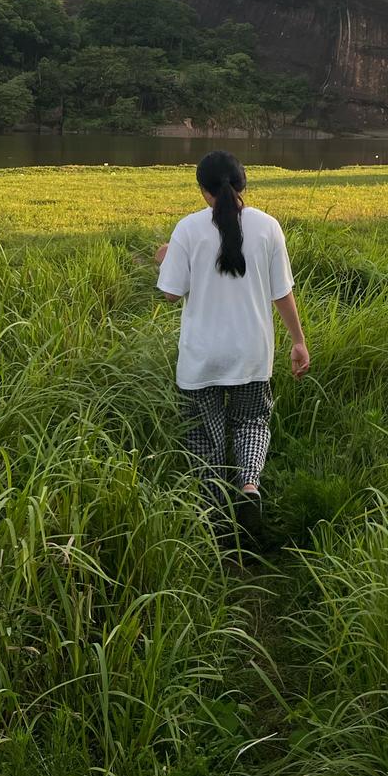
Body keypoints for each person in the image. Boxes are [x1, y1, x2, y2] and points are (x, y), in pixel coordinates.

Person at [154, 150, 309, 539]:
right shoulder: (268, 226)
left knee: (203, 434)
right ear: (243, 184)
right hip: (251, 352)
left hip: (201, 357)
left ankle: (214, 516)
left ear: (203, 190)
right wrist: (298, 341)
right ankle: (250, 486)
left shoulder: (187, 229)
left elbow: (170, 294)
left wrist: (165, 259)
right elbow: (282, 292)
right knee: (252, 422)